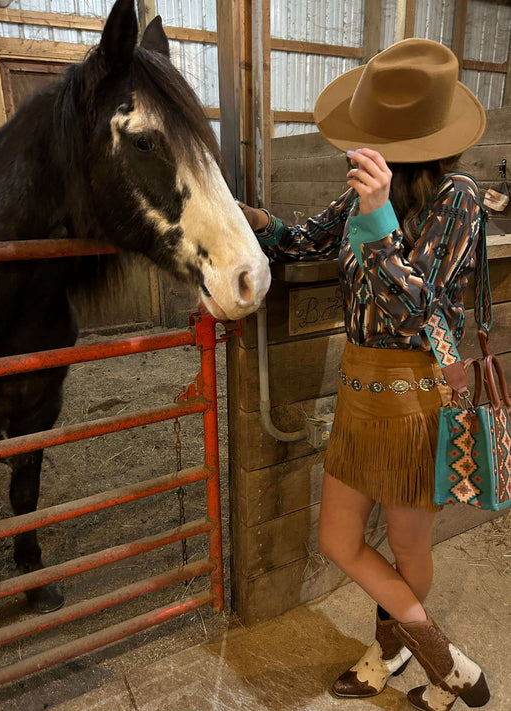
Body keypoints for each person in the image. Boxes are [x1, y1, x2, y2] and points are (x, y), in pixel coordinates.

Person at [241, 38, 490, 711]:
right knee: (338, 539)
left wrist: (380, 224)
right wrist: (251, 221)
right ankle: (451, 664)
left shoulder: (458, 196)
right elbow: (303, 241)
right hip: (358, 393)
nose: (355, 144)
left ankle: (394, 650)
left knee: (407, 545)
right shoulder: (358, 194)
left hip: (414, 397)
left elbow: (423, 313)